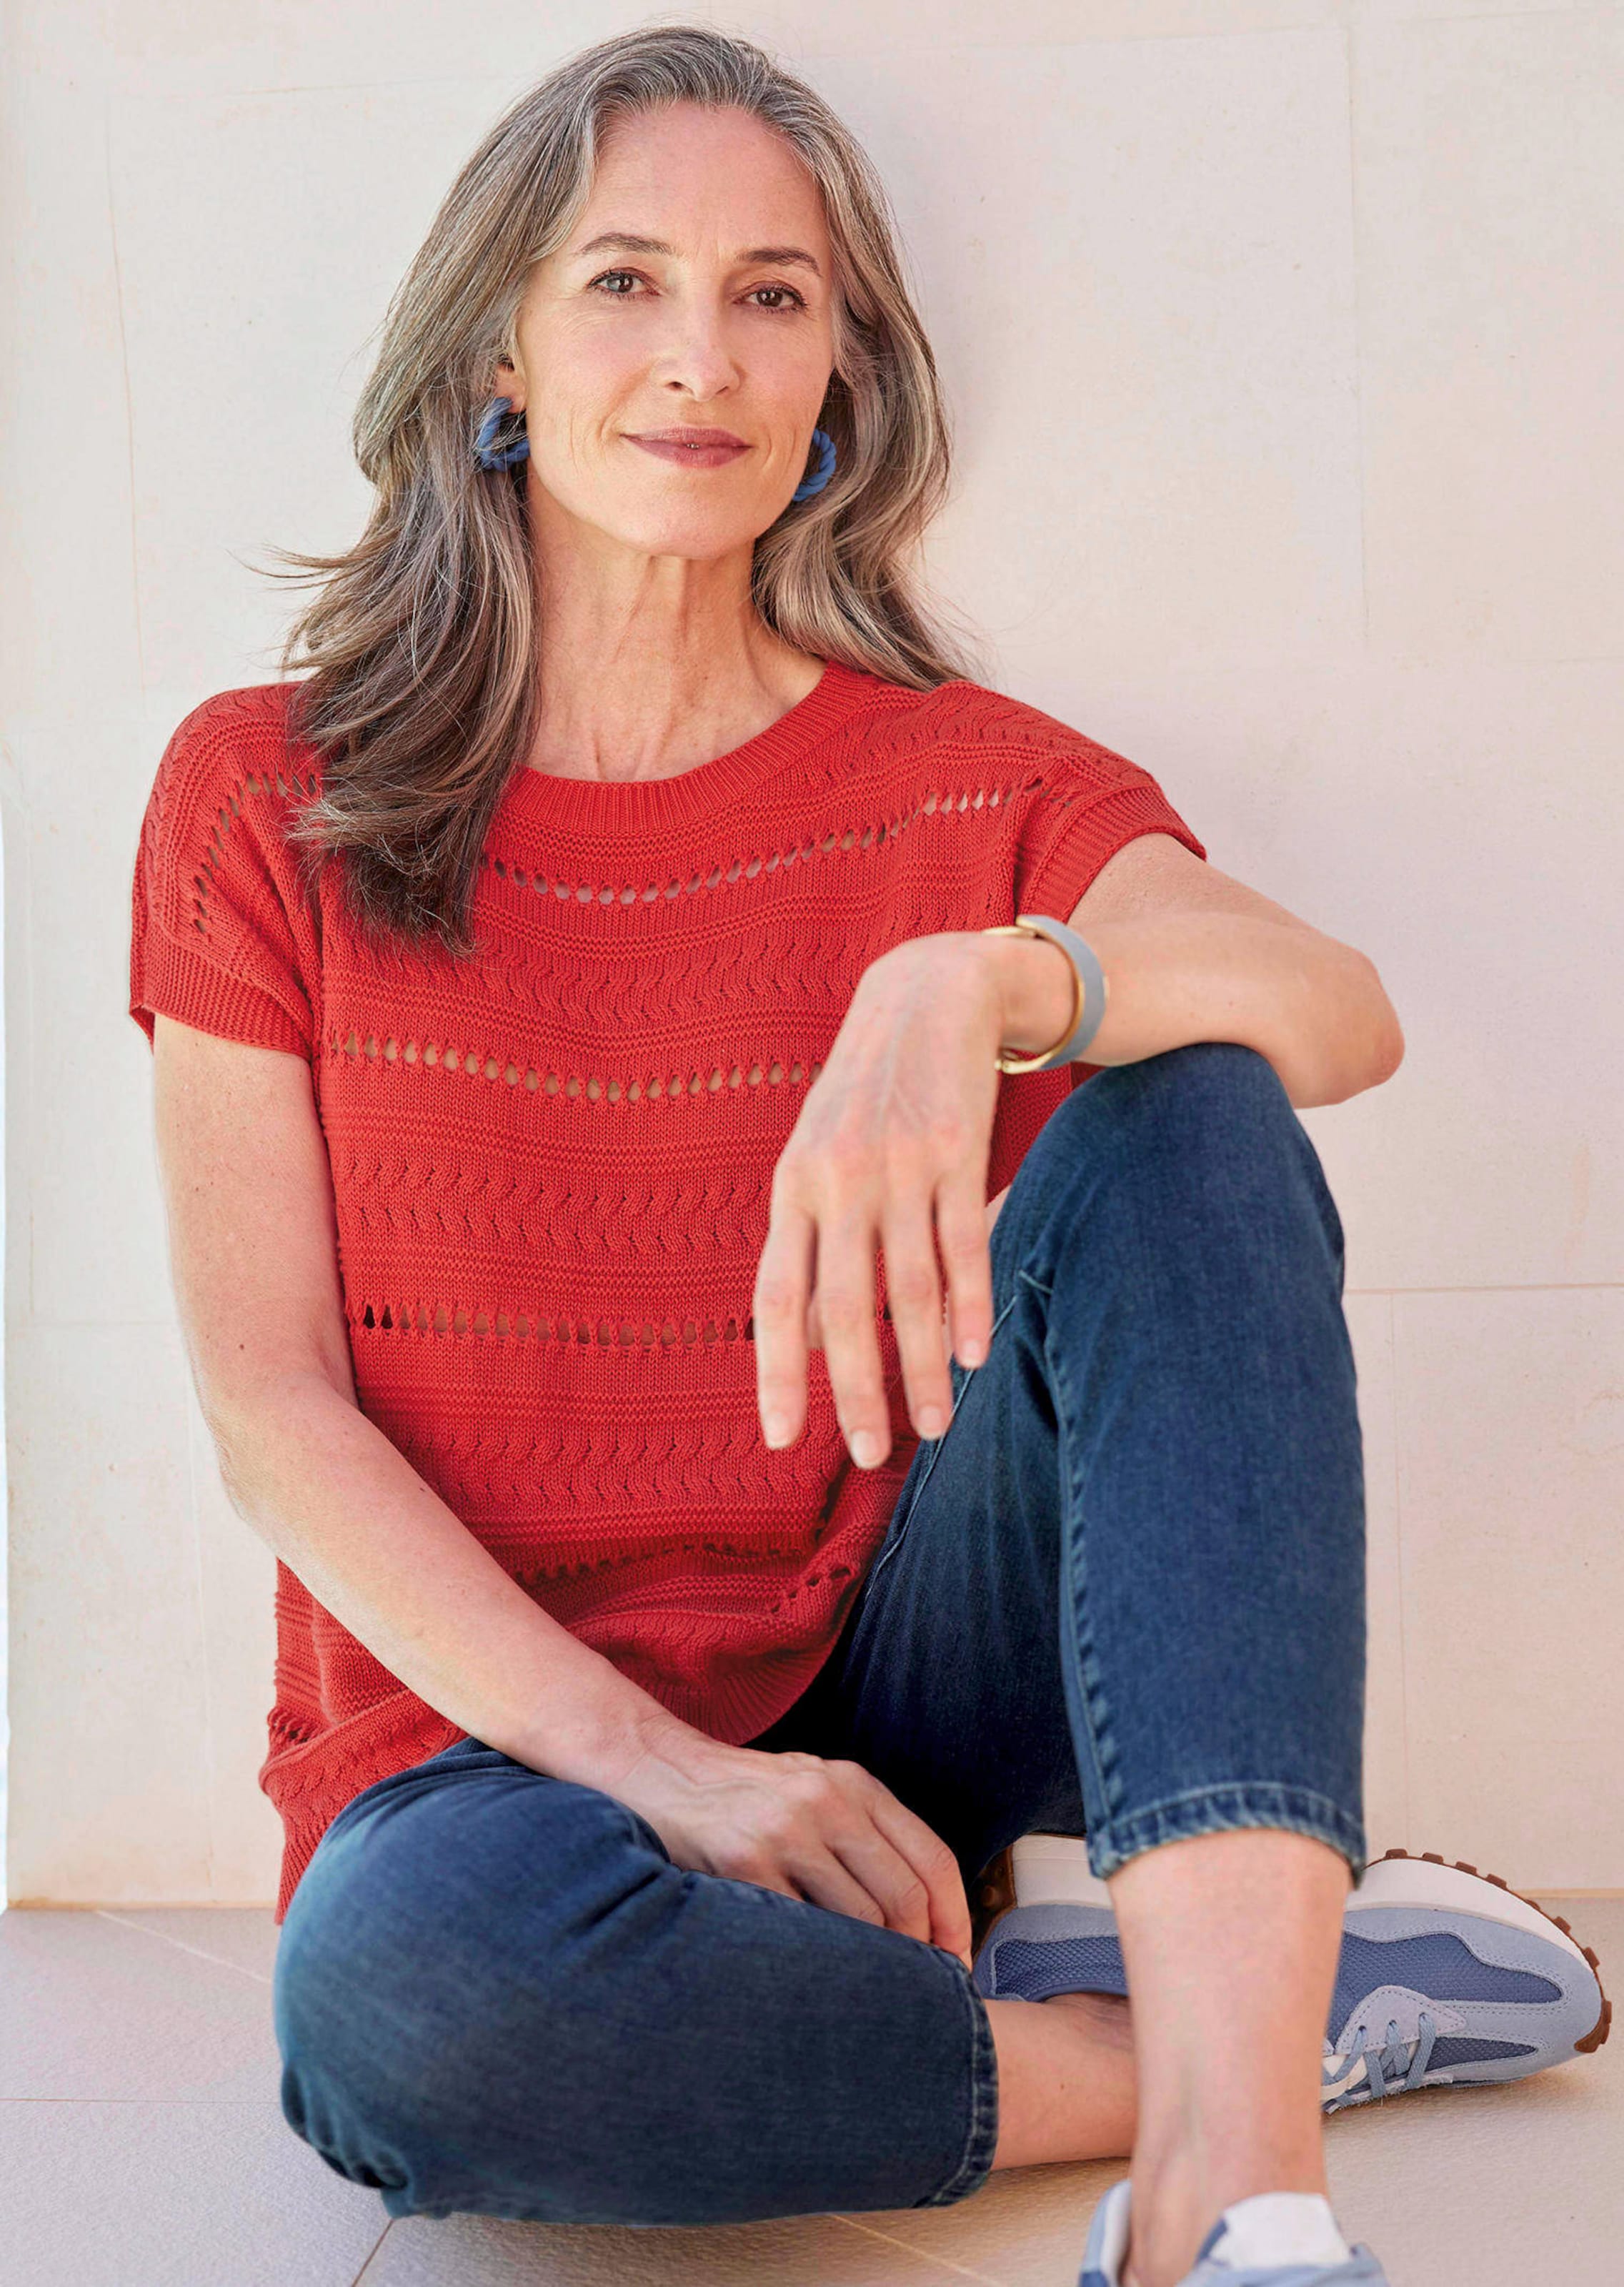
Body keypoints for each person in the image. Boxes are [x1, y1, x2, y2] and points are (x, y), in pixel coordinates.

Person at [126, 26, 1607, 2287]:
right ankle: (1251, 2023)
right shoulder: (265, 793)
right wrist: (669, 1775)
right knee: (404, 2019)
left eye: (774, 296)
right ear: (496, 352)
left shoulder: (961, 783)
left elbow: (1335, 1008)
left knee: (1190, 1098)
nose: (699, 357)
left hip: (905, 1672)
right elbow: (270, 1410)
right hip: (492, 1758)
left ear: (842, 378)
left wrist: (981, 982)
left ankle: (1229, 2186)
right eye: (623, 280)